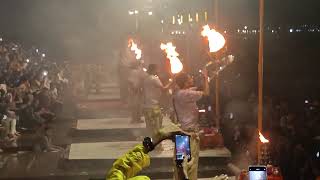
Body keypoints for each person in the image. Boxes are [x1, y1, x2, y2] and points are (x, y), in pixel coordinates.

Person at [173, 69, 209, 180]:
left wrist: (204, 79)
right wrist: (206, 77)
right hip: (190, 135)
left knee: (182, 165)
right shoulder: (186, 94)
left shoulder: (180, 93)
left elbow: (198, 88)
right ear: (185, 83)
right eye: (189, 78)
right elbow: (206, 92)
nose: (191, 78)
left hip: (183, 133)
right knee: (191, 165)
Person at [143, 64, 172, 140]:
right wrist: (172, 82)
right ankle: (157, 145)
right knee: (157, 127)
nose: (158, 71)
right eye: (157, 69)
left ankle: (151, 143)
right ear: (153, 70)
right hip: (154, 107)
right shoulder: (154, 79)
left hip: (147, 106)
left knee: (150, 127)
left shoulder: (146, 79)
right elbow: (164, 89)